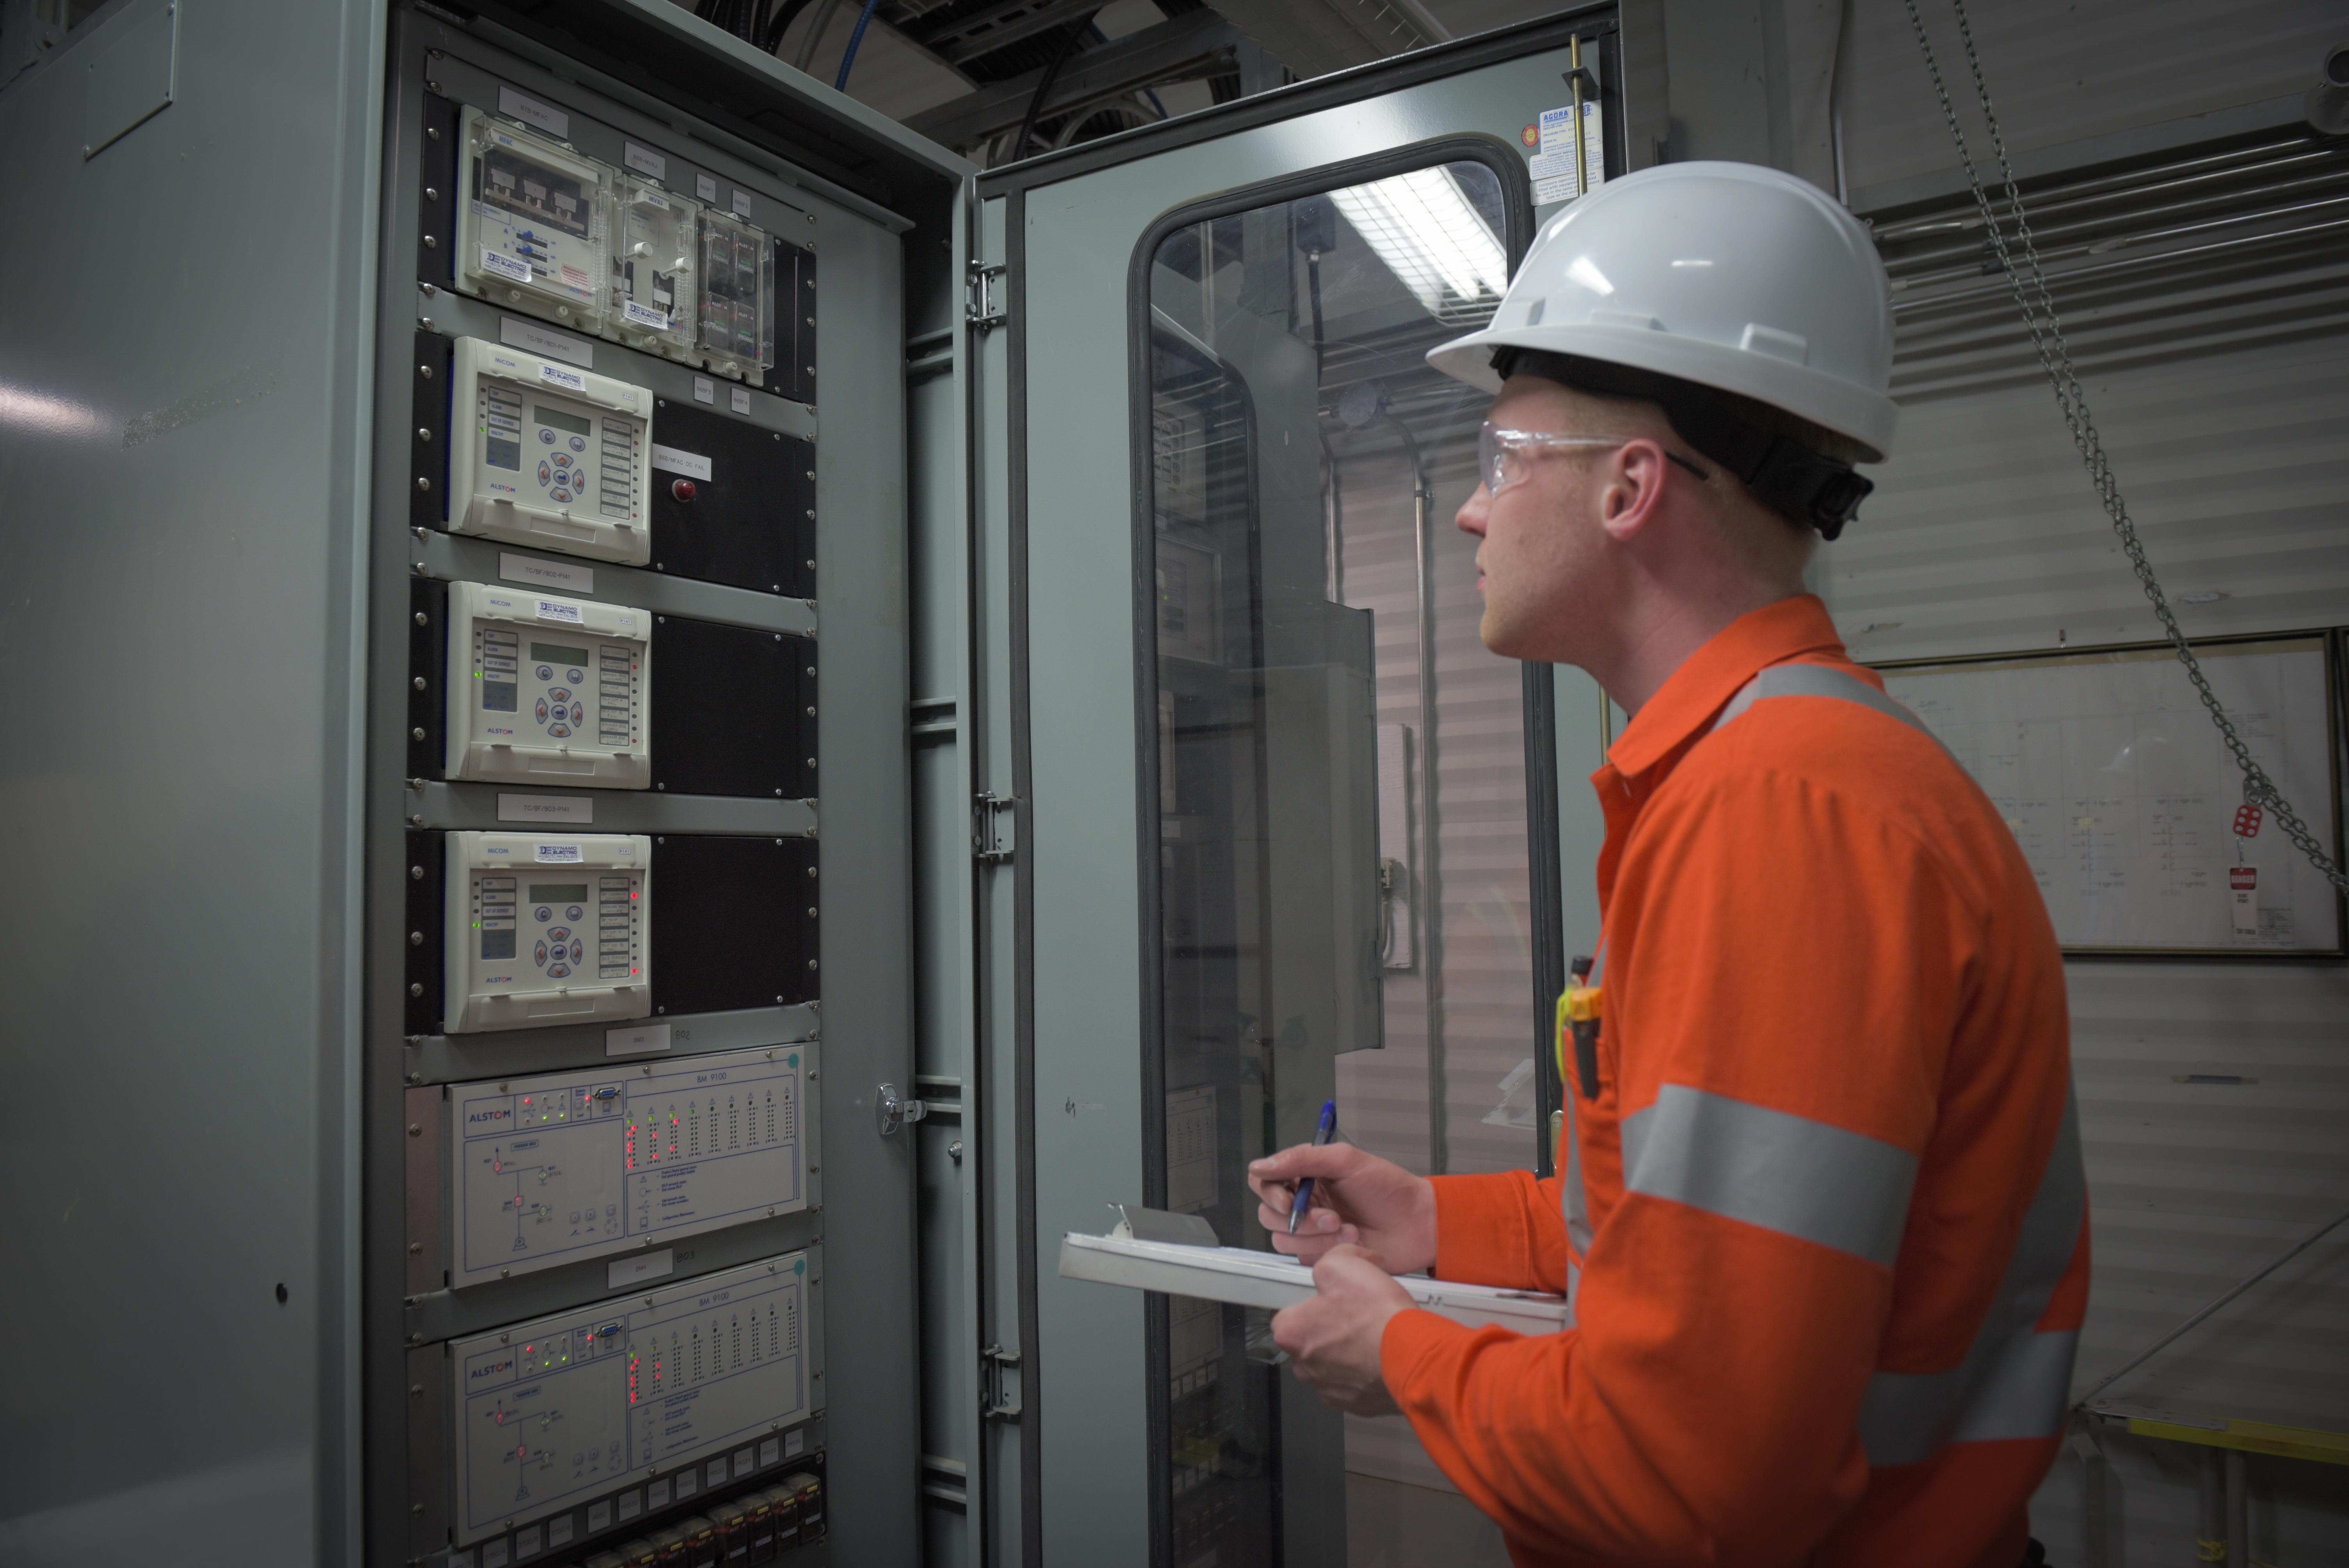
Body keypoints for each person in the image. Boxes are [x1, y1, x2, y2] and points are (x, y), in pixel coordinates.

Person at [1247, 161, 2086, 1568]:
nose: (1472, 510)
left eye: (1505, 459)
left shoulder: (1781, 813)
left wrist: (1405, 1358)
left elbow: (1696, 1474)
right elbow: (1710, 1244)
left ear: (1634, 488)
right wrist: (1440, 1223)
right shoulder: (1771, 777)